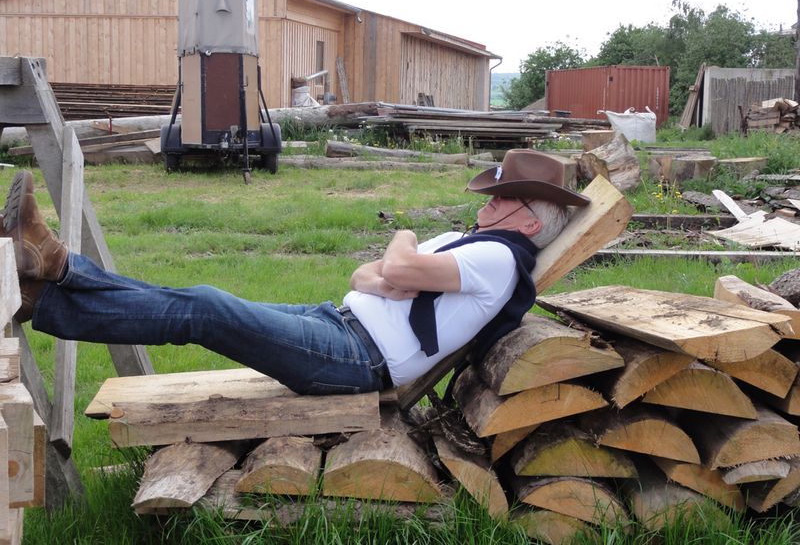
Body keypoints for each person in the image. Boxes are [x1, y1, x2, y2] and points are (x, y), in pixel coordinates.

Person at [1, 149, 589, 395]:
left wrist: (404, 244)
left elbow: (395, 264)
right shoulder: (478, 245)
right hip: (338, 325)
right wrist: (393, 275)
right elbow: (365, 275)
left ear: (528, 220)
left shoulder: (498, 257)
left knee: (203, 308)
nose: (487, 202)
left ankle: (52, 279)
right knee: (189, 297)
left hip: (356, 359)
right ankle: (50, 278)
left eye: (502, 197)